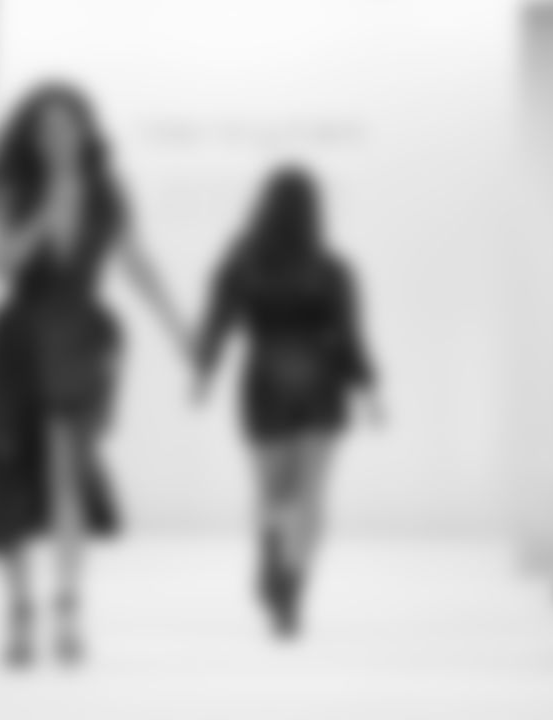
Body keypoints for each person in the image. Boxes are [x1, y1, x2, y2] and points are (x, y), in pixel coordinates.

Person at [0, 81, 191, 667]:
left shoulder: (107, 191)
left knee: (69, 477)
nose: (58, 136)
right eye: (46, 128)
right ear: (31, 135)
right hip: (16, 340)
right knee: (9, 477)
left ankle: (67, 611)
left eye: (68, 125)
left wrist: (180, 331)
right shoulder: (10, 188)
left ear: (86, 130)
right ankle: (18, 612)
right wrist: (42, 213)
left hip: (81, 338)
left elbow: (139, 264)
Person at [195, 165, 383, 638]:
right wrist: (370, 391)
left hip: (266, 379)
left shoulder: (242, 262)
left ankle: (271, 553)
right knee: (312, 492)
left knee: (272, 490)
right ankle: (294, 584)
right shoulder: (332, 268)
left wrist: (204, 372)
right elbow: (351, 336)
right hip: (322, 381)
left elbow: (218, 321)